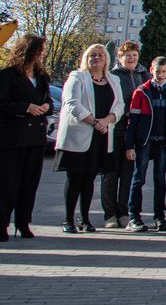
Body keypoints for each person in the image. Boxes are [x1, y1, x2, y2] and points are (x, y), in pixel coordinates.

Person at [55, 44, 125, 234]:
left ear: (106, 59)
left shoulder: (113, 80)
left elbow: (120, 105)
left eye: (100, 55)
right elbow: (71, 104)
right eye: (92, 55)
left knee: (90, 179)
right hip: (80, 134)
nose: (96, 58)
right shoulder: (77, 77)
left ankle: (85, 219)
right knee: (75, 178)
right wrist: (95, 122)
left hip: (102, 136)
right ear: (86, 58)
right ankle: (68, 220)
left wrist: (108, 120)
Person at [0, 34, 53, 241]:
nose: (42, 54)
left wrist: (47, 106)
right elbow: (2, 104)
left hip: (36, 138)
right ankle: (2, 223)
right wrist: (26, 107)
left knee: (30, 183)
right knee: (8, 183)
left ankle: (23, 222)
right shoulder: (7, 76)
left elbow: (47, 98)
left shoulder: (41, 77)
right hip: (13, 138)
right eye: (40, 50)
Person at [125, 56, 166, 232]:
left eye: (164, 72)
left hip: (163, 141)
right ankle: (134, 216)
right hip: (145, 140)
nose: (161, 75)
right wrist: (129, 145)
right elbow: (133, 120)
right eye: (158, 71)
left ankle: (160, 216)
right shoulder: (141, 91)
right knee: (139, 178)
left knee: (160, 179)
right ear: (151, 70)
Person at [103, 40, 150, 228]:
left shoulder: (143, 75)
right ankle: (109, 214)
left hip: (135, 131)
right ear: (120, 57)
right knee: (110, 173)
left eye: (134, 56)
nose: (131, 58)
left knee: (128, 173)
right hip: (115, 128)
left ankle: (123, 212)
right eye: (127, 55)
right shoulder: (113, 75)